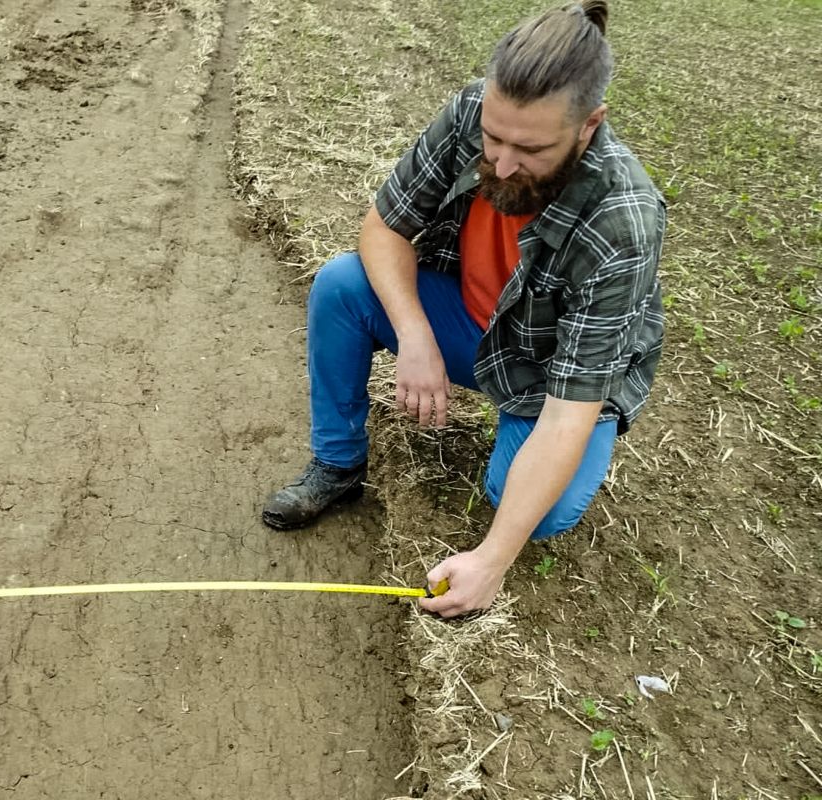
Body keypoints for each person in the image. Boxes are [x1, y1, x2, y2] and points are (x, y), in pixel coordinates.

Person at [261, 0, 665, 617]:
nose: (500, 163)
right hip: (467, 323)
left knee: (535, 510)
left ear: (588, 126)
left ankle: (514, 443)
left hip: (549, 370)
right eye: (493, 138)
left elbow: (567, 415)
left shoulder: (622, 223)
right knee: (343, 285)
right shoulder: (472, 110)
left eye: (529, 149)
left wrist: (490, 562)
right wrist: (415, 334)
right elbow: (383, 228)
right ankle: (338, 465)